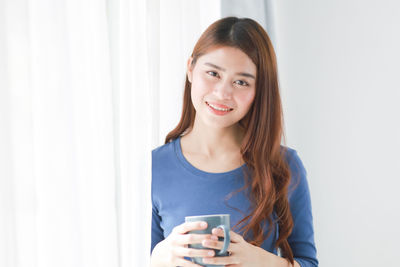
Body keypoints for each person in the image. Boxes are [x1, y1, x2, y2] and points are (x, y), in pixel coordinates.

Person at [151, 16, 318, 267]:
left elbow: (309, 262)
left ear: (259, 90)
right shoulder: (153, 167)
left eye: (241, 82)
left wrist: (262, 261)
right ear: (190, 69)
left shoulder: (284, 164)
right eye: (213, 73)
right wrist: (159, 258)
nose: (222, 93)